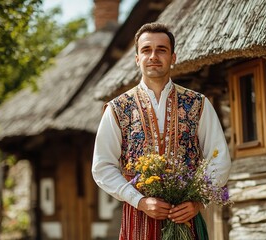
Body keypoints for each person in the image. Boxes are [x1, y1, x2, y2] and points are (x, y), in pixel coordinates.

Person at [92, 22, 231, 240]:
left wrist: (198, 201)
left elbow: (219, 157)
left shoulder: (198, 103)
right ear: (137, 58)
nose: (153, 56)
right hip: (138, 220)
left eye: (161, 50)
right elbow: (102, 167)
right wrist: (139, 201)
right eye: (146, 50)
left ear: (173, 57)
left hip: (186, 219)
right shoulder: (118, 108)